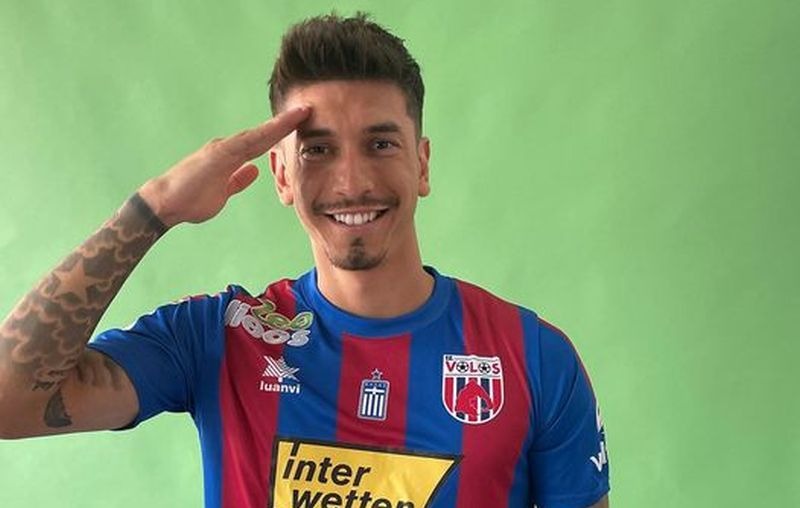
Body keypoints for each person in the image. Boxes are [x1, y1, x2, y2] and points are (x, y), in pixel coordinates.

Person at [0, 13, 609, 508]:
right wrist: (152, 209)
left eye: (380, 143)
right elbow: (10, 401)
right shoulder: (219, 338)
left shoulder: (533, 358)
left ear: (421, 164)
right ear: (281, 174)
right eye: (317, 150)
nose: (352, 181)